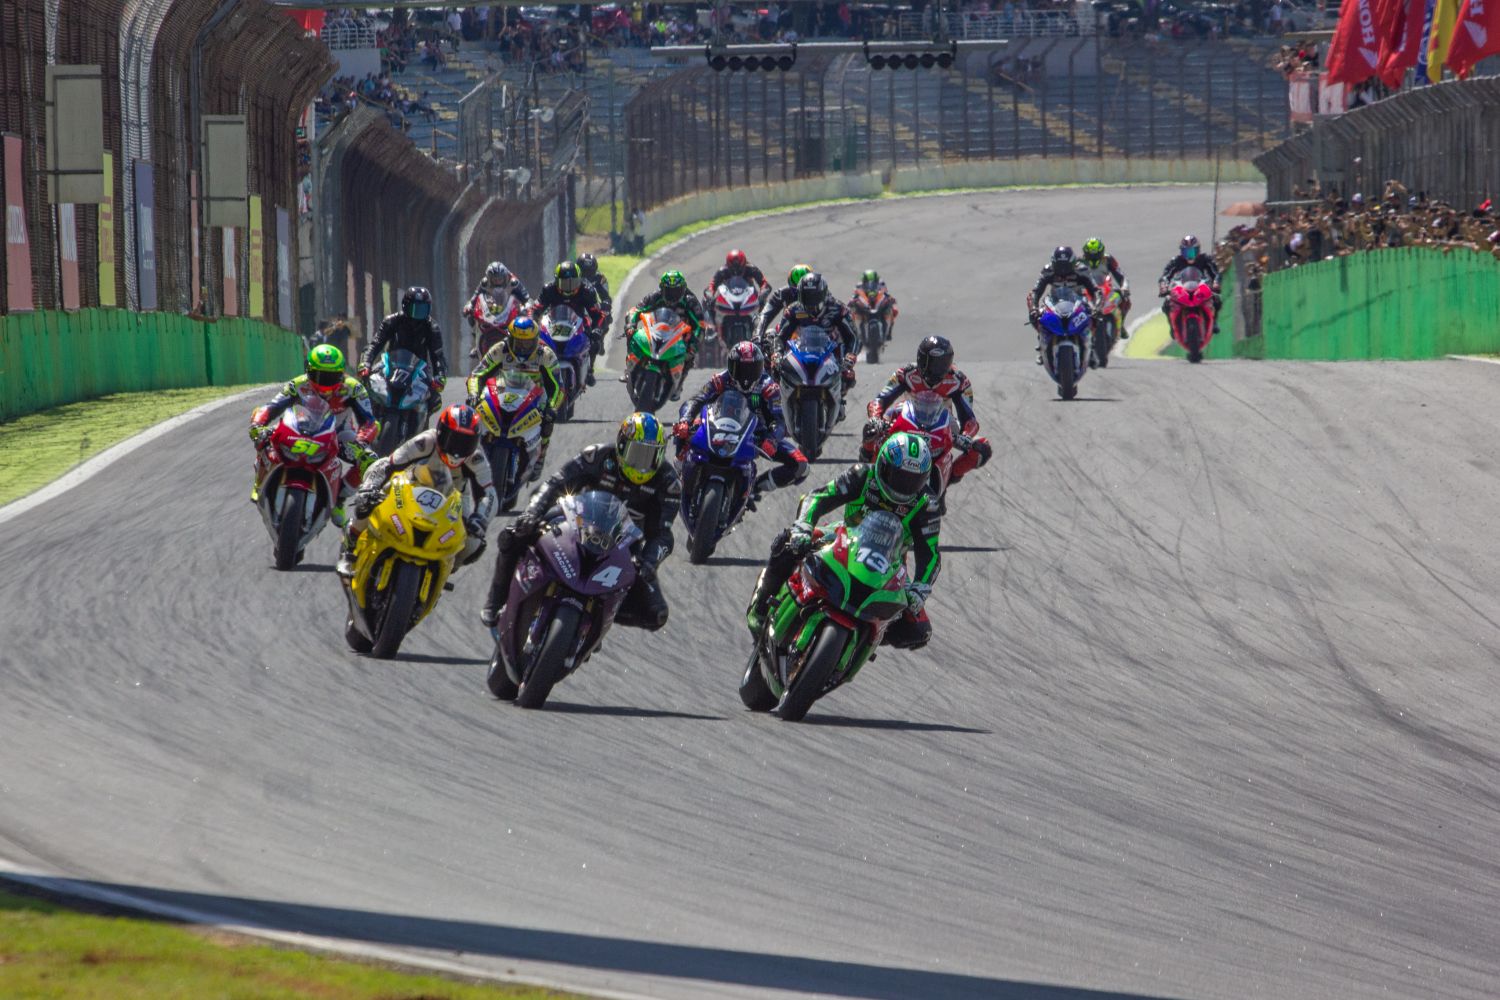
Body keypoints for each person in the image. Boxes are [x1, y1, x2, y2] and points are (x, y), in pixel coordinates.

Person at [480, 412, 679, 632]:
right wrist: (532, 512)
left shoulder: (668, 483)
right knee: (512, 535)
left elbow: (663, 534)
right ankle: (495, 601)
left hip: (624, 544)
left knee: (655, 614)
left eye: (650, 457)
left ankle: (595, 620)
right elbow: (554, 483)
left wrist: (650, 561)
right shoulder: (597, 456)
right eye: (637, 453)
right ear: (622, 445)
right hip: (574, 520)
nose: (642, 464)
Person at [745, 431, 939, 651]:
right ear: (883, 464)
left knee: (918, 631)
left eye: (914, 480)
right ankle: (761, 607)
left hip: (892, 562)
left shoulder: (926, 504)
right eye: (900, 477)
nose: (904, 486)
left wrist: (920, 589)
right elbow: (818, 497)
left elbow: (930, 553)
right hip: (843, 535)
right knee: (787, 542)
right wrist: (803, 527)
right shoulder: (863, 475)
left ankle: (862, 641)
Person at [337, 403, 496, 577]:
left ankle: (441, 572)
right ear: (441, 431)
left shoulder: (476, 458)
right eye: (454, 439)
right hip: (411, 484)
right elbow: (388, 464)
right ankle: (350, 548)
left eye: (466, 442)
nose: (458, 450)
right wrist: (370, 487)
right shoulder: (426, 441)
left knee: (473, 544)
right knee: (369, 502)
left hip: (454, 499)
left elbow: (489, 493)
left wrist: (480, 518)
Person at [249, 344, 378, 525]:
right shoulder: (298, 384)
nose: (325, 383)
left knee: (369, 459)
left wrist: (362, 442)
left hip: (339, 436)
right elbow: (271, 406)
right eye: (320, 376)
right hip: (300, 428)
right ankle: (260, 480)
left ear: (342, 374)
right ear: (308, 371)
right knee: (264, 435)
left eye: (332, 376)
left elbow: (370, 422)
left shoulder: (353, 389)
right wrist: (258, 425)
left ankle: (339, 499)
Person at [862, 335, 991, 512]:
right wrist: (876, 418)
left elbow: (969, 419)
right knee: (872, 430)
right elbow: (879, 401)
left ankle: (946, 481)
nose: (939, 369)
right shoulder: (906, 373)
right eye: (935, 364)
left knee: (982, 448)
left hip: (941, 424)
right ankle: (867, 467)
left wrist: (966, 437)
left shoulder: (958, 381)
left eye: (944, 364)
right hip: (907, 416)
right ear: (921, 360)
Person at [674, 341, 809, 507]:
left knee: (800, 465)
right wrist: (685, 421)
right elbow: (695, 400)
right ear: (731, 366)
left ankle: (755, 488)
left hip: (755, 437)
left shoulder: (769, 388)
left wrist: (772, 438)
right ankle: (679, 469)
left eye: (752, 370)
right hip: (716, 428)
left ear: (761, 368)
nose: (746, 376)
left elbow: (780, 420)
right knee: (685, 428)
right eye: (741, 369)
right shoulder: (720, 380)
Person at [465, 316, 559, 480]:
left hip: (535, 396)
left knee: (548, 422)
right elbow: (476, 375)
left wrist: (552, 407)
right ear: (510, 339)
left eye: (528, 343)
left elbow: (559, 387)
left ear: (536, 340)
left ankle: (540, 456)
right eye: (519, 342)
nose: (523, 347)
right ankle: (468, 452)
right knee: (472, 414)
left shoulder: (546, 355)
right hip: (503, 390)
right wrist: (473, 394)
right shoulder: (500, 349)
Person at [768, 272, 859, 419]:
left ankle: (839, 398)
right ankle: (780, 399)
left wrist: (850, 356)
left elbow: (853, 337)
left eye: (814, 298)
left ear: (823, 294)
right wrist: (776, 354)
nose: (810, 303)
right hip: (801, 348)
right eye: (806, 298)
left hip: (831, 350)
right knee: (775, 367)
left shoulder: (837, 309)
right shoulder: (793, 310)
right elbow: (781, 337)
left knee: (848, 375)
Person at [360, 286, 447, 411]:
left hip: (419, 368)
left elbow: (437, 355)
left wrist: (440, 375)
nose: (418, 314)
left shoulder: (432, 328)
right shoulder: (391, 321)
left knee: (434, 400)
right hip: (390, 364)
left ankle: (422, 422)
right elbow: (375, 344)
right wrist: (366, 363)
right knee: (366, 385)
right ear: (405, 306)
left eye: (422, 309)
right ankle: (369, 420)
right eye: (415, 309)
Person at [626, 270, 705, 400]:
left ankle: (678, 383)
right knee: (633, 335)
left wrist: (693, 344)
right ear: (662, 289)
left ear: (683, 289)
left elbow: (700, 325)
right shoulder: (655, 297)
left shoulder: (690, 301)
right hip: (654, 332)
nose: (673, 295)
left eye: (676, 291)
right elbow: (635, 310)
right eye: (669, 290)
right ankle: (630, 364)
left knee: (689, 356)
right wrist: (631, 325)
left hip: (679, 337)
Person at [530, 260, 607, 386]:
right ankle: (534, 372)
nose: (569, 287)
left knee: (595, 343)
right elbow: (536, 309)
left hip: (579, 322)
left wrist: (597, 329)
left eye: (573, 282)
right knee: (535, 344)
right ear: (557, 281)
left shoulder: (587, 290)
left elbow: (598, 314)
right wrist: (532, 322)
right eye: (565, 283)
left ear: (579, 280)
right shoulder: (549, 289)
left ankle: (589, 371)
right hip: (553, 323)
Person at [1027, 246, 1098, 365]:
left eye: (1066, 266)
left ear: (1073, 263)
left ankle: (1091, 346)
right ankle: (1042, 344)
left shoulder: (1082, 270)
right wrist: (1034, 308)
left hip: (1078, 302)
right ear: (1054, 263)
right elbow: (1036, 291)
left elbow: (1095, 290)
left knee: (1094, 316)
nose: (1063, 271)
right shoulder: (1048, 270)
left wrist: (1097, 306)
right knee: (1036, 315)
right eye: (1060, 267)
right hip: (1054, 302)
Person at [1157, 235, 1222, 328]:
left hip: (1200, 288)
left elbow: (1216, 273)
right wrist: (1163, 286)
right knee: (1167, 303)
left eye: (1192, 251)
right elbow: (1166, 275)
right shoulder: (1176, 261)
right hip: (1182, 289)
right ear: (1181, 252)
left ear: (1198, 250)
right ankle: (1172, 325)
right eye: (1186, 252)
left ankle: (1214, 321)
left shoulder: (1205, 259)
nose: (1189, 255)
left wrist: (1216, 283)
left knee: (1216, 299)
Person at [702, 249, 770, 328]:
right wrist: (710, 295)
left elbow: (764, 284)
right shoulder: (722, 271)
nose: (736, 271)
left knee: (764, 300)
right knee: (706, 300)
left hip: (749, 297)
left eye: (739, 268)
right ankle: (711, 328)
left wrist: (762, 294)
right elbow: (711, 285)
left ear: (744, 264)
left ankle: (761, 325)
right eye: (733, 269)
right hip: (728, 297)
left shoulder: (752, 269)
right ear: (728, 265)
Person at [1077, 237, 1131, 334]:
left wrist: (1124, 287)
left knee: (1125, 300)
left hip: (1106, 288)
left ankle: (1121, 325)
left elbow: (1120, 276)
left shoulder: (1108, 259)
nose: (1093, 259)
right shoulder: (1078, 262)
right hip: (1085, 291)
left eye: (1097, 255)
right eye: (1090, 255)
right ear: (1085, 253)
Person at [754, 263, 813, 344]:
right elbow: (765, 314)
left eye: (804, 291)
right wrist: (758, 335)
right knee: (769, 336)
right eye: (796, 291)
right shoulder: (782, 293)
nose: (799, 296)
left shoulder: (821, 294)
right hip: (786, 331)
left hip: (815, 333)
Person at [576, 253, 612, 383]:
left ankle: (590, 367)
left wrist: (605, 307)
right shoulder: (572, 277)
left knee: (605, 320)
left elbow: (606, 297)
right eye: (583, 271)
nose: (586, 275)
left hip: (593, 309)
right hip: (577, 309)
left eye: (589, 272)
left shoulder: (600, 278)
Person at [847, 268, 900, 336]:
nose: (870, 284)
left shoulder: (881, 282)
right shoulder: (859, 284)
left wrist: (891, 299)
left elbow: (886, 292)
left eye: (873, 282)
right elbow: (855, 294)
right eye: (867, 282)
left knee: (893, 310)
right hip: (866, 303)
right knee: (852, 311)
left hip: (877, 301)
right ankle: (855, 330)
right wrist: (852, 301)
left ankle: (889, 329)